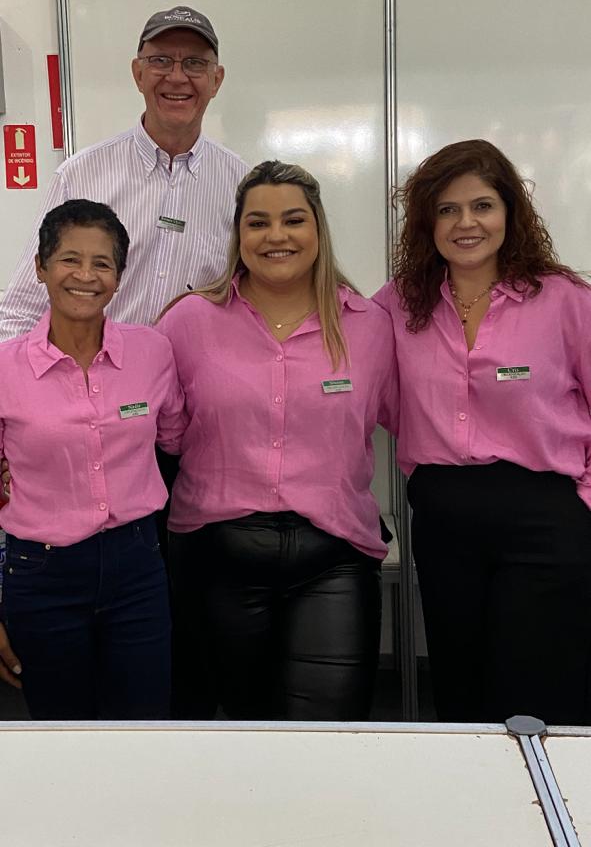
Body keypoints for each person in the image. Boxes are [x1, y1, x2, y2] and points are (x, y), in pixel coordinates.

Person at [157, 159, 396, 722]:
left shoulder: (370, 325)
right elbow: (155, 431)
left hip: (333, 561)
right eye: (257, 223)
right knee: (246, 731)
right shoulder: (188, 321)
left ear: (318, 230)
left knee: (331, 733)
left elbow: (423, 417)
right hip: (219, 561)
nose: (276, 236)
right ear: (238, 236)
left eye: (293, 220)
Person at [374, 138, 591, 726]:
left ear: (509, 214)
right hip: (445, 515)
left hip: (546, 514)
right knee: (461, 681)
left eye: (482, 206)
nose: (465, 223)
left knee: (539, 686)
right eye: (447, 209)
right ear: (427, 223)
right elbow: (358, 376)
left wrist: (581, 502)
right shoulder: (397, 305)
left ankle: (548, 814)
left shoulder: (564, 300)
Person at [0, 199, 187, 717]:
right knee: (62, 731)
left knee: (147, 722)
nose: (85, 275)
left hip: (137, 566)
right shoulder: (5, 369)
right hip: (40, 573)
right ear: (40, 268)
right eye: (68, 259)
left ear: (120, 277)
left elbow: (174, 437)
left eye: (102, 263)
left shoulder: (153, 352)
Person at [0, 5, 248, 338]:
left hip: (196, 385)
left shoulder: (241, 188)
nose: (177, 77)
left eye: (194, 63)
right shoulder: (81, 176)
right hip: (99, 382)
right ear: (138, 74)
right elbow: (23, 310)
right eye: (160, 61)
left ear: (216, 80)